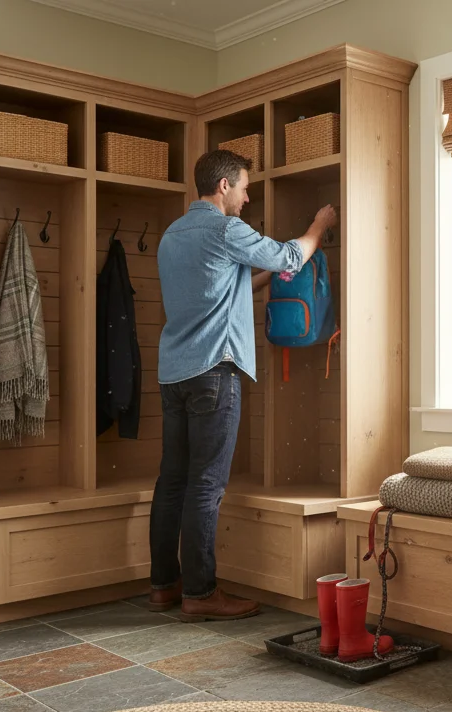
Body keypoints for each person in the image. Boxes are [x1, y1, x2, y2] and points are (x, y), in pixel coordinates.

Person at [147, 149, 337, 621]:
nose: (249, 197)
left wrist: (267, 275)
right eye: (246, 187)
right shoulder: (225, 229)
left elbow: (219, 288)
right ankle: (201, 593)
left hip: (174, 374)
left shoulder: (172, 236)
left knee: (172, 482)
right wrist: (319, 225)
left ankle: (163, 586)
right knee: (206, 486)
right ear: (224, 186)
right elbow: (293, 252)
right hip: (215, 370)